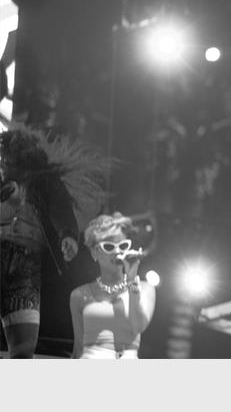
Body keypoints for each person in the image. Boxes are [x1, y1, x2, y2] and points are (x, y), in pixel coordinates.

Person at [0, 125, 104, 358]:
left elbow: (60, 207)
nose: (3, 164)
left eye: (6, 160)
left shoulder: (45, 182)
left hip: (26, 267)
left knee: (23, 347)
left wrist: (68, 235)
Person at [69, 212, 156, 359]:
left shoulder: (144, 288)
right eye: (109, 246)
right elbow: (78, 348)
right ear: (94, 253)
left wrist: (131, 282)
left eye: (123, 245)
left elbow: (138, 326)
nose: (117, 251)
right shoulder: (79, 295)